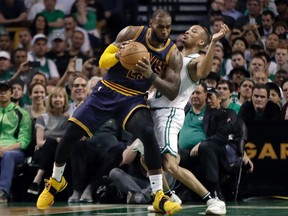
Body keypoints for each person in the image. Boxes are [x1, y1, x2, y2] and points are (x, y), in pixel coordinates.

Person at [36, 8, 183, 214]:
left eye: (169, 27)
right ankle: (55, 181)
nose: (165, 31)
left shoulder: (173, 53)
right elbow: (102, 62)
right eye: (161, 26)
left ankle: (158, 195)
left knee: (148, 133)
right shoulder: (131, 32)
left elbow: (173, 91)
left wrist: (151, 75)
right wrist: (118, 54)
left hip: (132, 98)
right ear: (151, 24)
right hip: (107, 90)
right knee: (70, 134)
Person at [141, 24, 229, 215]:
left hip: (169, 113)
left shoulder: (194, 60)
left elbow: (204, 72)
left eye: (195, 30)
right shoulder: (173, 56)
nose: (188, 31)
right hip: (154, 111)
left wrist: (214, 42)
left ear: (202, 42)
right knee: (145, 159)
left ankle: (213, 200)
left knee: (169, 165)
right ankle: (169, 196)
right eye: (188, 29)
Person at [0, 80, 32, 203]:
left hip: (14, 151)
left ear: (11, 94)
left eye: (5, 91)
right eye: (0, 91)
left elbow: (24, 140)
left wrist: (5, 149)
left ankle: (2, 192)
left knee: (7, 156)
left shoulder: (21, 113)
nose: (2, 93)